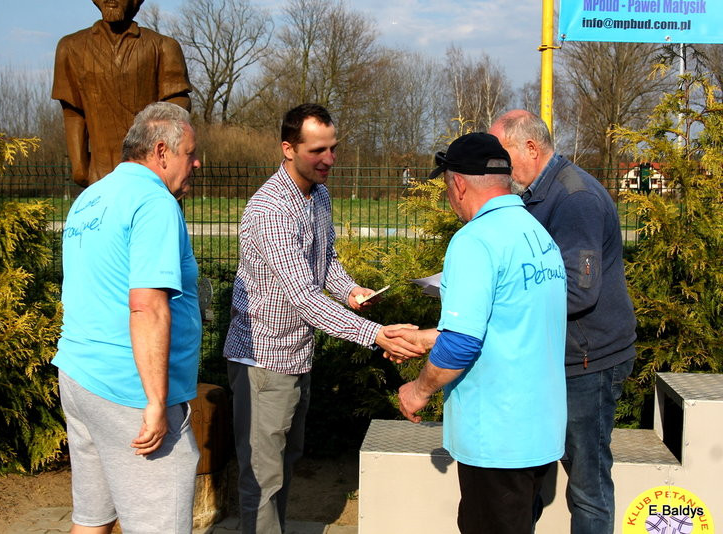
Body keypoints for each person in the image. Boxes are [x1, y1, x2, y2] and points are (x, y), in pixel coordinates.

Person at [223, 103, 425, 534]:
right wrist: (376, 335)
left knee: (286, 464)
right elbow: (302, 296)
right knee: (262, 478)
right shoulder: (270, 210)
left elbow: (324, 261)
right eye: (318, 150)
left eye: (333, 148)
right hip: (262, 363)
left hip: (299, 355)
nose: (329, 159)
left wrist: (350, 289)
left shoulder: (319, 195)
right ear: (288, 149)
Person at [395, 132, 568, 534]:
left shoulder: (475, 241)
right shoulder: (536, 235)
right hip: (537, 430)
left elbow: (461, 343)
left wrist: (417, 391)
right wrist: (425, 339)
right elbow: (509, 325)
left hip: (497, 439)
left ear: (456, 183)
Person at [52, 102, 202, 534]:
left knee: (92, 517)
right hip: (129, 390)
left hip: (80, 377)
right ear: (160, 151)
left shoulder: (91, 197)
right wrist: (156, 402)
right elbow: (147, 305)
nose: (196, 162)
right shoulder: (153, 202)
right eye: (189, 152)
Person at [489, 110, 637, 534]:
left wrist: (500, 304)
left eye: (503, 158)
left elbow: (578, 290)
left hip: (588, 361)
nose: (497, 170)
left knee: (587, 485)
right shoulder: (534, 194)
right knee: (529, 472)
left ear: (531, 149)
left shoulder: (574, 200)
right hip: (559, 357)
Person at [52, 0, 192, 187]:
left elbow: (176, 114)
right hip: (100, 174)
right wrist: (79, 167)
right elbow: (72, 113)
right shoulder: (71, 48)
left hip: (151, 176)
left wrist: (166, 167)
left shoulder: (163, 47)